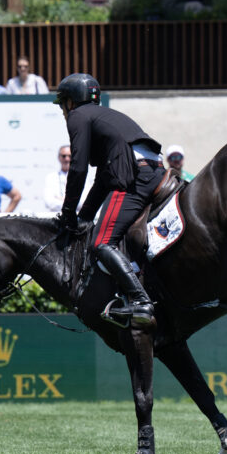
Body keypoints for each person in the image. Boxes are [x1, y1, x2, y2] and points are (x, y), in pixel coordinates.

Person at [54, 72, 164, 325]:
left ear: (71, 102)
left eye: (62, 104)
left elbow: (78, 168)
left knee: (102, 242)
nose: (63, 111)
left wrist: (68, 212)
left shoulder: (79, 116)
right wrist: (84, 217)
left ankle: (140, 301)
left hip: (135, 175)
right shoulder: (105, 116)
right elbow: (104, 176)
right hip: (155, 169)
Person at [43, 145, 74, 212]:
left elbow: (83, 202)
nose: (67, 159)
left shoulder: (82, 177)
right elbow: (49, 202)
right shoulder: (51, 177)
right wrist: (71, 202)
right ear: (59, 157)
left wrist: (60, 199)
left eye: (70, 156)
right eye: (64, 156)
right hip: (55, 218)